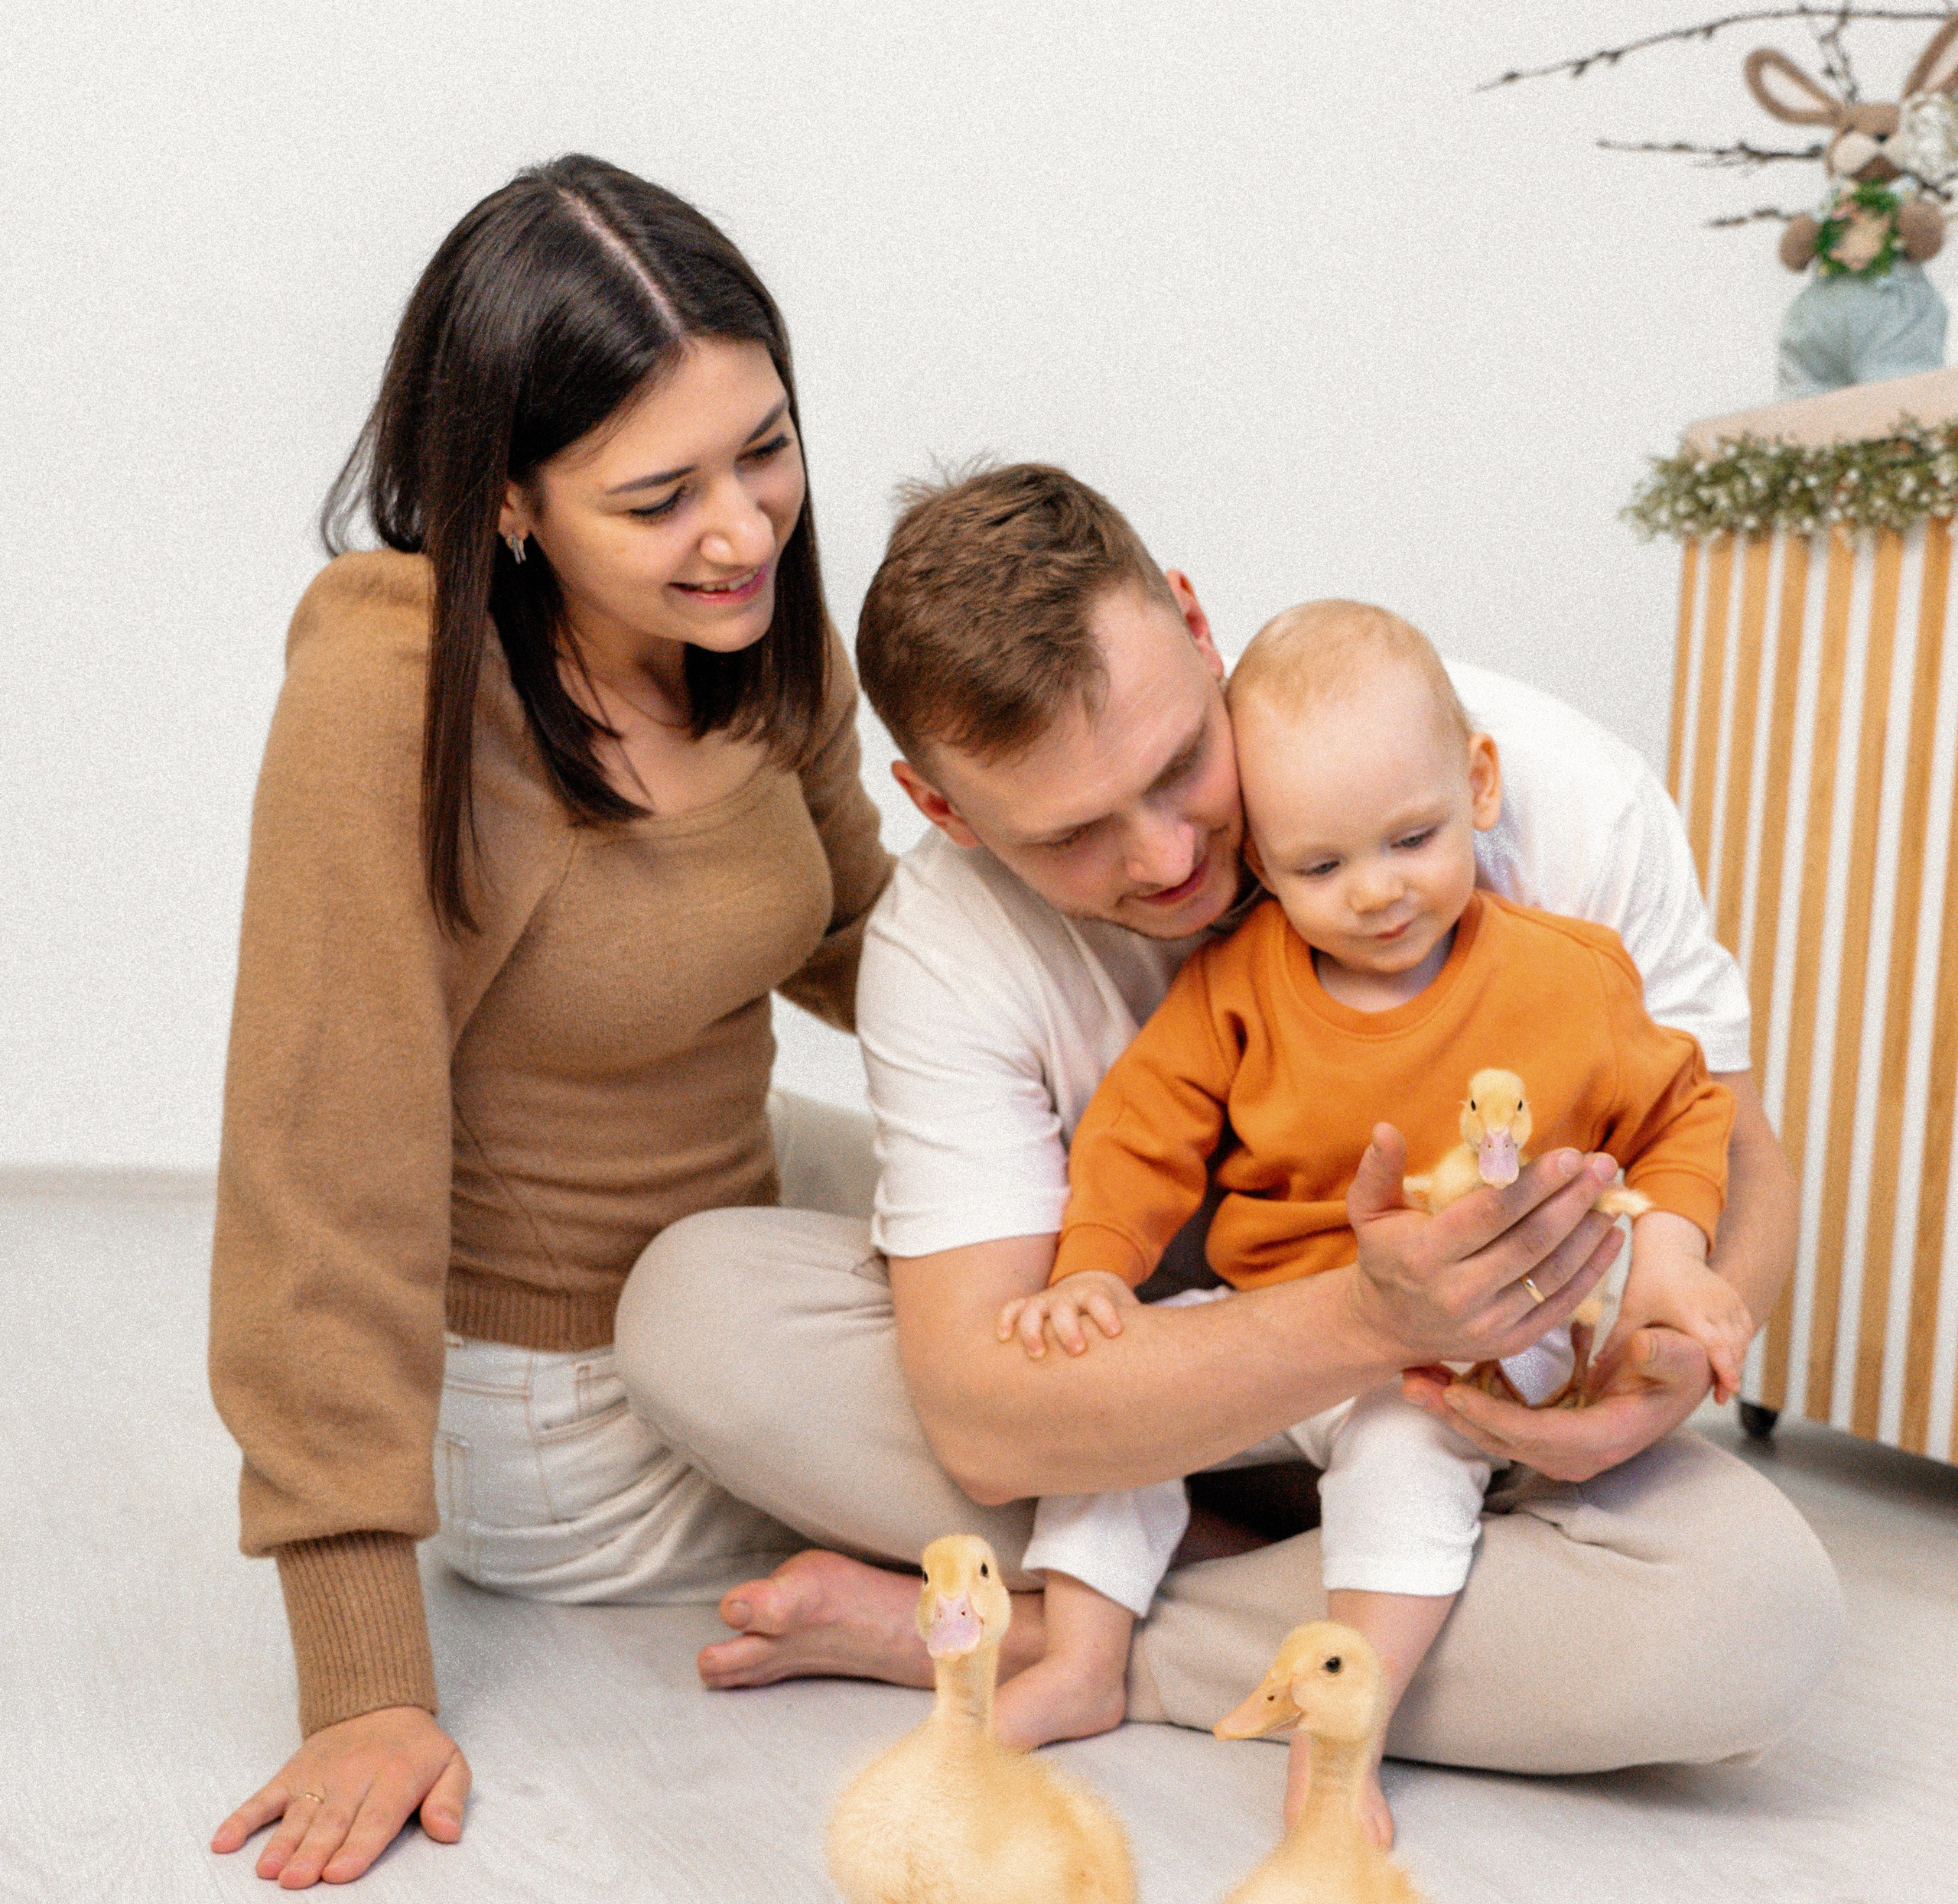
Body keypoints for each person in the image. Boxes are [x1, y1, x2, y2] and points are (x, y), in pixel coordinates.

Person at [620, 464, 1841, 1821]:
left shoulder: (1506, 788)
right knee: (702, 1309)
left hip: (1457, 1421)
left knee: (1754, 1614)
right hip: (1157, 1399)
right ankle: (1271, 1640)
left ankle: (1057, 1634)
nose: (1162, 859)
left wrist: (1650, 1380)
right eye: (1073, 833)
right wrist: (1369, 1313)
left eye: (1181, 768)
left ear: (1200, 632)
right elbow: (984, 1424)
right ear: (945, 812)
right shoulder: (949, 948)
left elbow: (1738, 1157)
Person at [208, 158, 892, 1891]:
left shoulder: (741, 620)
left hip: (721, 1212)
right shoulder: (400, 697)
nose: (740, 530)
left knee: (1056, 1217)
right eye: (657, 495)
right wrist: (363, 1681)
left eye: (766, 450)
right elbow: (323, 1161)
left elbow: (863, 933)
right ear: (508, 500)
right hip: (566, 1391)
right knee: (1094, 1426)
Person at [991, 596, 1751, 1837]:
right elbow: (1141, 1132)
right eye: (1321, 868)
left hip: (1454, 1359)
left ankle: (1348, 1730)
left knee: (1408, 1453)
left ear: (1481, 786)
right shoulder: (1239, 984)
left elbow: (1685, 1117)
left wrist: (1669, 1257)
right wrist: (1092, 1274)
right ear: (1261, 859)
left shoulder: (1569, 977)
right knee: (1111, 1391)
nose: (1378, 894)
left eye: (1412, 839)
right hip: (1279, 1330)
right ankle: (1079, 1657)